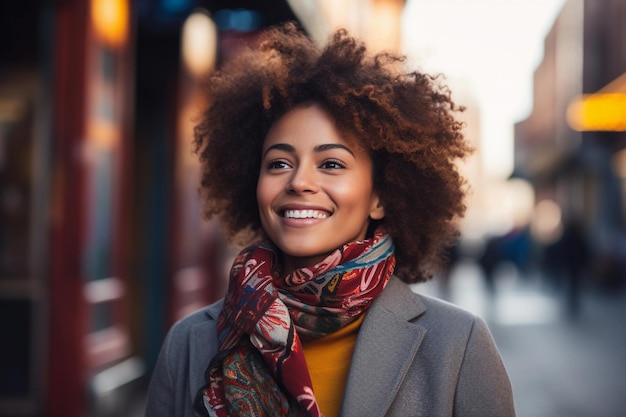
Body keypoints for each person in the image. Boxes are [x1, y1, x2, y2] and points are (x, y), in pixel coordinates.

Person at [146, 22, 515, 417]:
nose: (300, 181)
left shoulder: (458, 345)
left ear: (379, 197)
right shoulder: (188, 345)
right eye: (279, 163)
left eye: (332, 163)